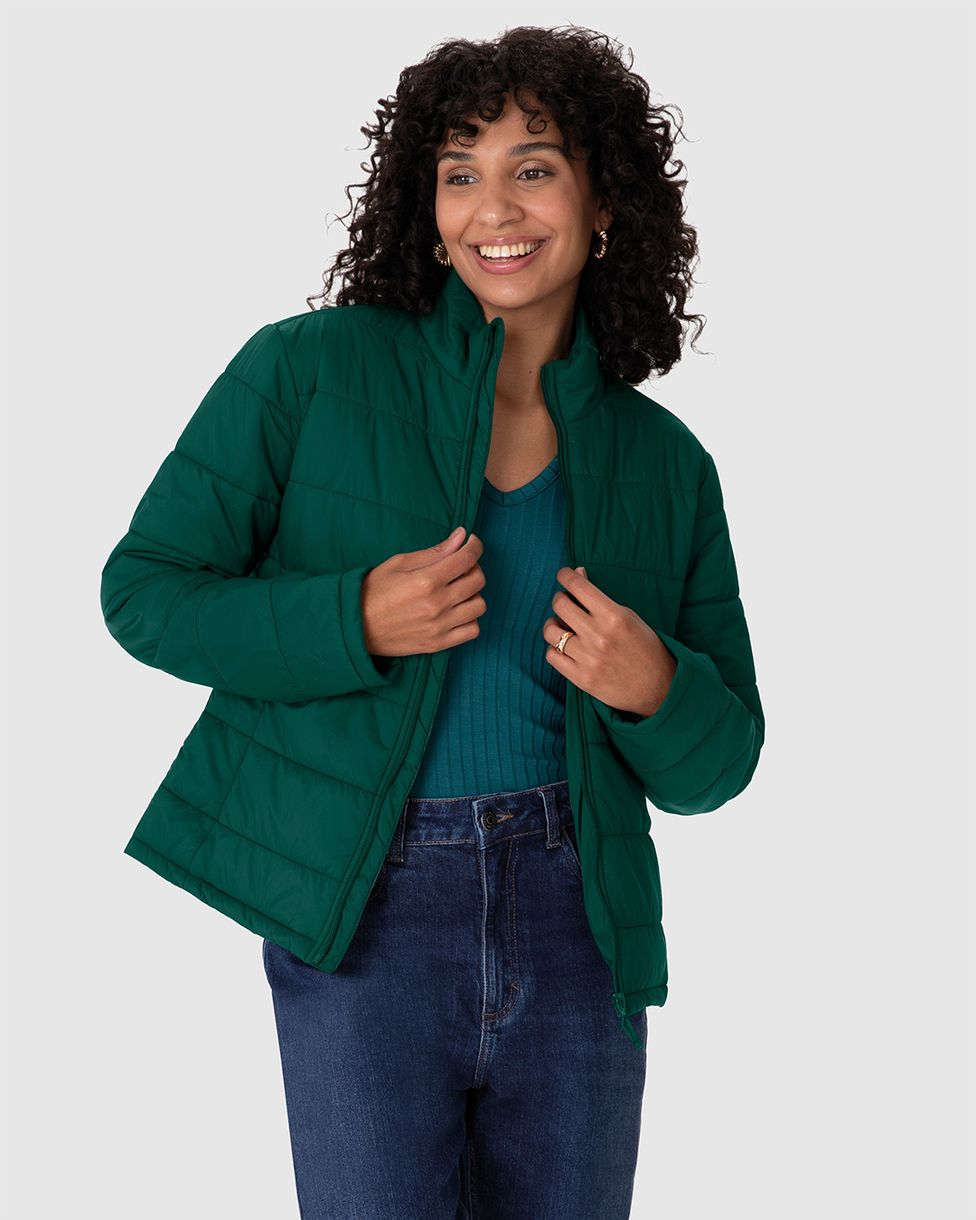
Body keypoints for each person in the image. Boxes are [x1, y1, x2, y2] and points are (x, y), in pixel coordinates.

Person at [100, 24, 765, 1220]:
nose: (492, 208)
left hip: (580, 915)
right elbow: (144, 591)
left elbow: (721, 765)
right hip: (367, 902)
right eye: (460, 172)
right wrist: (349, 614)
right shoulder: (307, 371)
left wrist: (657, 685)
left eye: (533, 167)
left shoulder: (665, 463)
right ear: (428, 205)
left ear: (604, 202)